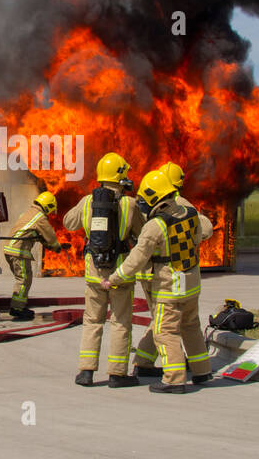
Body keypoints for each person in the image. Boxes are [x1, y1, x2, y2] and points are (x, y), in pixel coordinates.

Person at [103, 169, 214, 394]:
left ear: (153, 197)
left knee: (165, 331)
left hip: (168, 287)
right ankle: (202, 371)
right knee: (191, 325)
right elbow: (201, 235)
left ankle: (174, 380)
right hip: (191, 282)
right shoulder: (191, 213)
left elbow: (136, 259)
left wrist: (113, 279)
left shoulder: (155, 225)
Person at [63, 152, 145, 387]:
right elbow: (142, 234)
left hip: (94, 273)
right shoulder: (129, 204)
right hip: (120, 274)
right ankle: (117, 375)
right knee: (120, 322)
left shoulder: (88, 202)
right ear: (120, 176)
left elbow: (69, 222)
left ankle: (86, 372)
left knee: (92, 321)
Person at [134, 161, 187, 377]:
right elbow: (206, 227)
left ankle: (144, 362)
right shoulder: (180, 203)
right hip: (169, 273)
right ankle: (173, 371)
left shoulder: (149, 203)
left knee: (161, 319)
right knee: (168, 322)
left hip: (150, 271)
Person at [4, 191, 62, 321]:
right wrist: (56, 247)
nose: (50, 213)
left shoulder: (29, 213)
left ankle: (18, 306)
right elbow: (50, 235)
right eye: (51, 210)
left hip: (11, 250)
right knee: (24, 280)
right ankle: (18, 309)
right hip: (18, 252)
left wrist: (44, 243)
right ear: (47, 206)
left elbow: (33, 234)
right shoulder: (39, 217)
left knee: (23, 279)